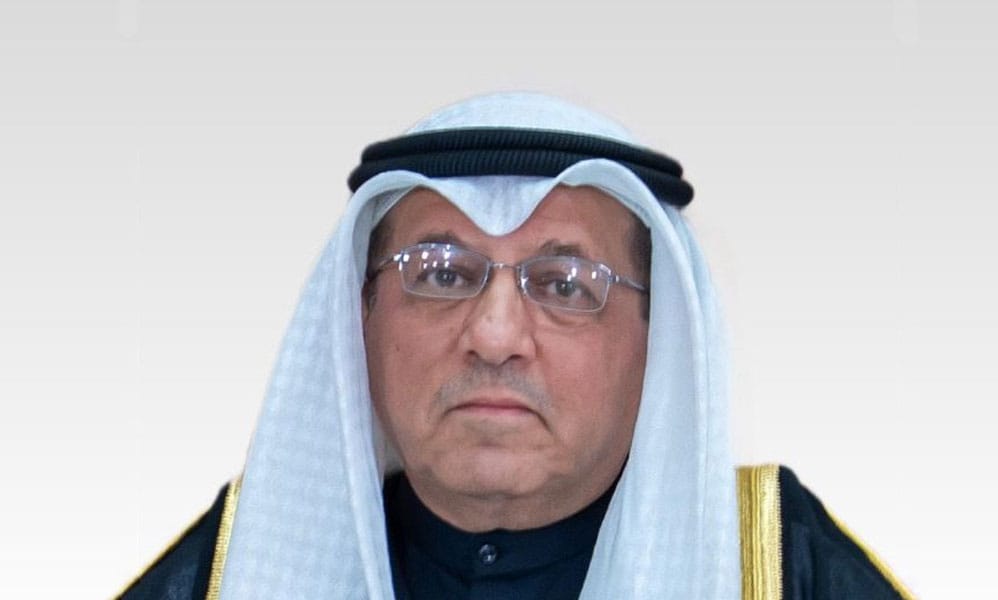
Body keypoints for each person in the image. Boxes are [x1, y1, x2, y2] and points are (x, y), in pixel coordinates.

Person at [118, 93, 913, 599]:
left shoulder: (779, 567)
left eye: (566, 284)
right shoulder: (236, 567)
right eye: (441, 273)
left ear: (658, 339)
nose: (495, 337)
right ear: (360, 318)